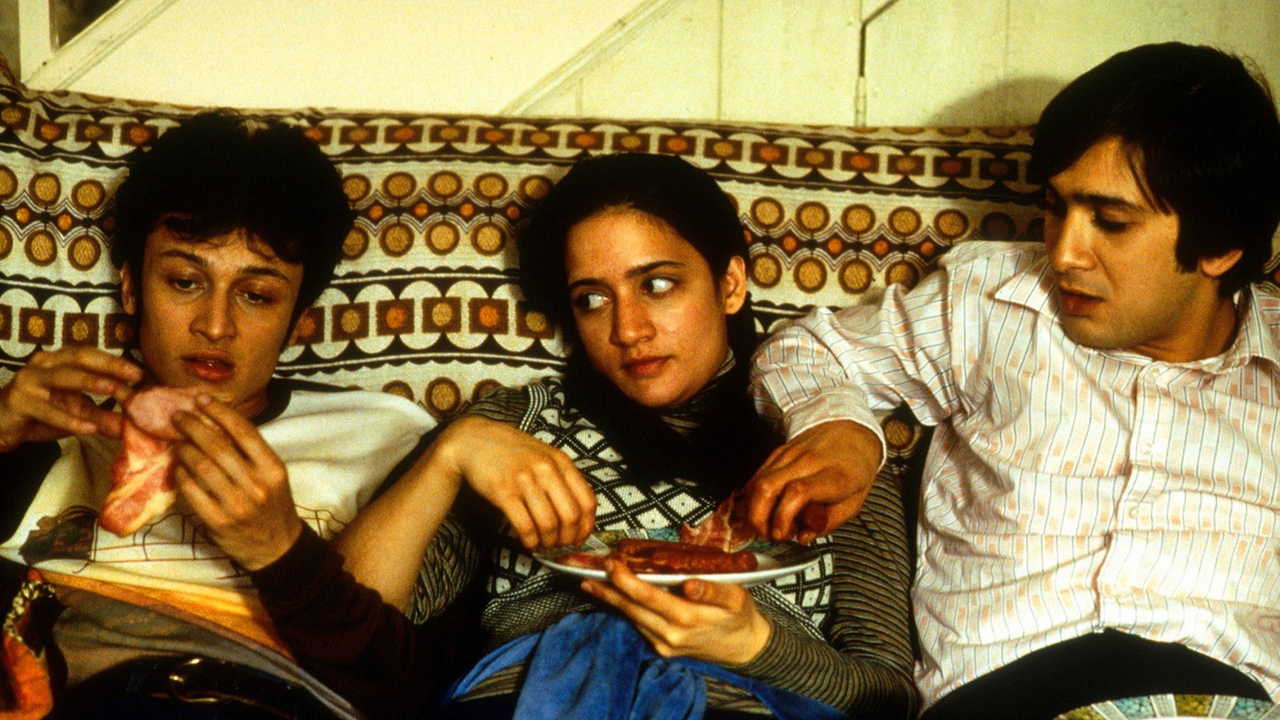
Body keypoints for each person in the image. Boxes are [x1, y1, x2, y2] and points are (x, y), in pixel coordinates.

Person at [748, 41, 1280, 720]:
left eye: (1111, 222)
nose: (1065, 253)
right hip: (1007, 698)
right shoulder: (990, 302)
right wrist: (841, 429)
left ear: (1222, 246)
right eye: (1055, 207)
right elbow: (805, 349)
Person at [330, 152, 919, 719]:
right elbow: (343, 629)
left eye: (657, 285)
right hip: (522, 702)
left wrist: (756, 647)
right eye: (592, 299)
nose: (628, 329)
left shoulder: (829, 448)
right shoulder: (515, 427)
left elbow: (889, 698)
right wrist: (449, 454)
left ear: (731, 284)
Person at [0, 112, 436, 719]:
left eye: (256, 295)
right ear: (131, 289)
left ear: (299, 320)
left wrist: (282, 552)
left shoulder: (388, 435)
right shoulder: (53, 429)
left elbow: (421, 694)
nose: (215, 324)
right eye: (184, 281)